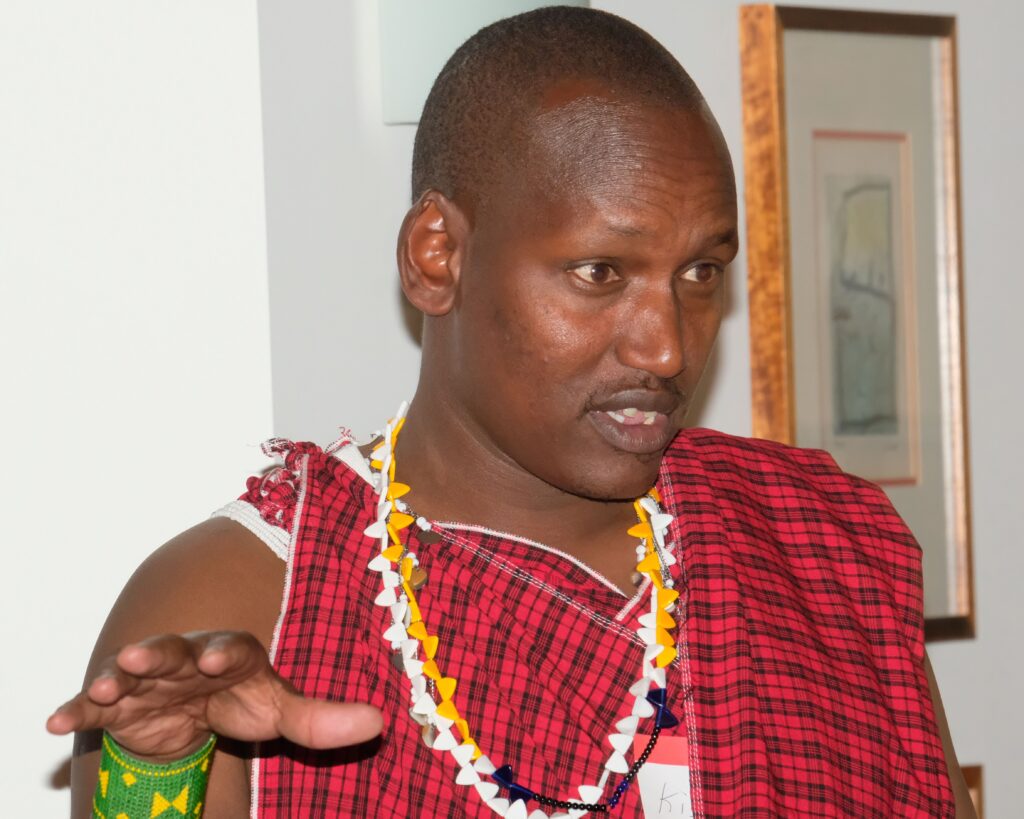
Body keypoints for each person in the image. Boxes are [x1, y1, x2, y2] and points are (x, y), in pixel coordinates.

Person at [47, 6, 974, 818]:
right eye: (599, 273)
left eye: (700, 273)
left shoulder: (823, 548)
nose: (667, 347)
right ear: (436, 256)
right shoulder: (249, 600)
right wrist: (149, 766)